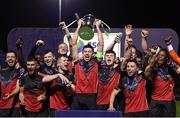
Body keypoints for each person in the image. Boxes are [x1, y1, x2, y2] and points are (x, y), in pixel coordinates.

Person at [71, 19, 104, 110]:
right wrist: (78, 26)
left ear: (93, 53)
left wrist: (97, 27)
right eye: (85, 51)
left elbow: (101, 44)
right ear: (82, 52)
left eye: (89, 51)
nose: (87, 53)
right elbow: (73, 43)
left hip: (92, 96)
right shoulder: (77, 61)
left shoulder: (97, 61)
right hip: (78, 95)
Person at [145, 47, 178, 117]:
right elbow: (146, 73)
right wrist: (154, 57)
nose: (160, 57)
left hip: (168, 101)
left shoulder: (171, 68)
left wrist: (170, 63)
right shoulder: (153, 68)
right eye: (158, 55)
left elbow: (178, 70)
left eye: (162, 55)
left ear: (166, 58)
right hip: (155, 100)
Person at [0, 50, 21, 116]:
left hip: (15, 107)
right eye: (8, 57)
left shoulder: (19, 71)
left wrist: (10, 95)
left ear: (16, 59)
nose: (10, 58)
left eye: (12, 57)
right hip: (1, 107)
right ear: (6, 59)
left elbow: (18, 88)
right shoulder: (1, 72)